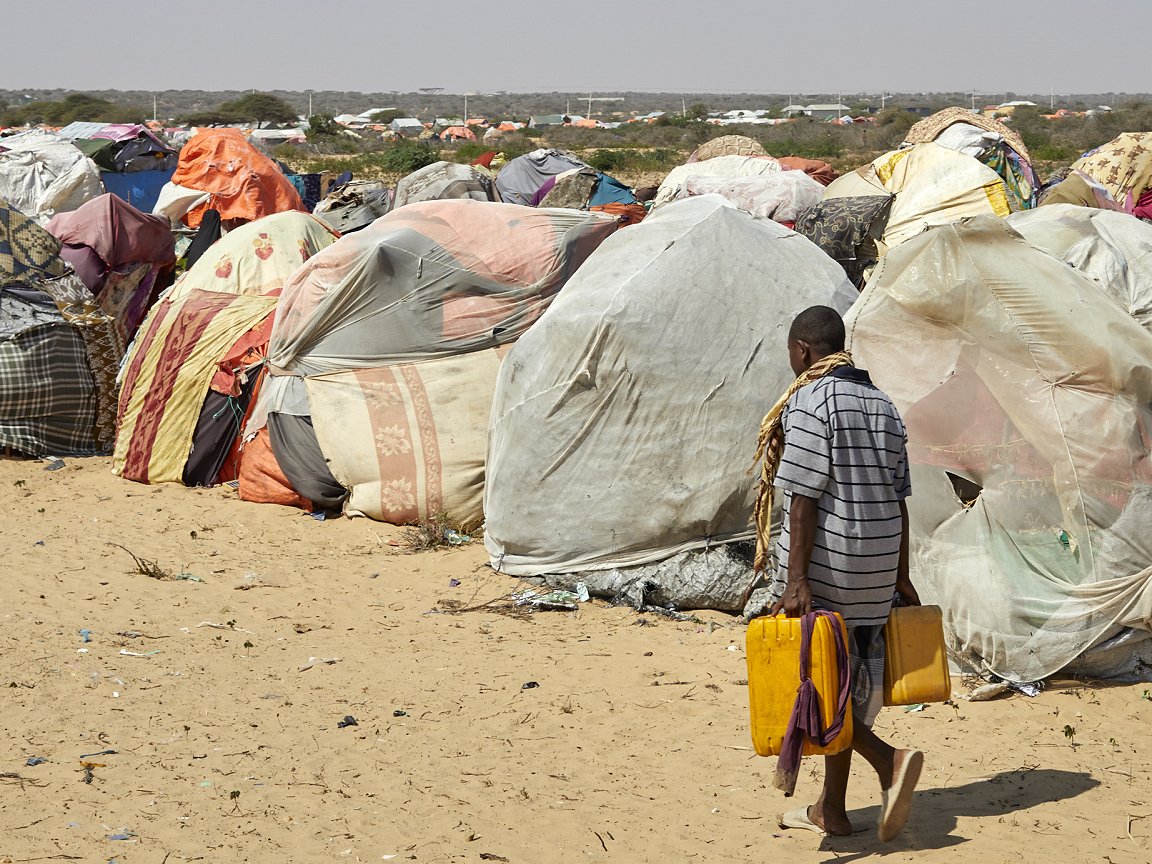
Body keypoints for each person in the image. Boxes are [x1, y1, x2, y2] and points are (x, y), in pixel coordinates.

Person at [752, 304, 922, 841]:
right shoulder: (884, 405)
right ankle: (833, 809)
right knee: (846, 682)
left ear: (803, 350)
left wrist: (795, 580)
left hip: (830, 567)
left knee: (819, 684)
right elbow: (899, 502)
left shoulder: (810, 401)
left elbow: (802, 497)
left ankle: (888, 761)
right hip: (876, 566)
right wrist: (900, 576)